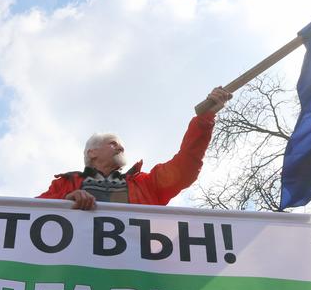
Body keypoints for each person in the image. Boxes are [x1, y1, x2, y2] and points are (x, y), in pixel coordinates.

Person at [37, 87, 232, 210]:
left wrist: (204, 120)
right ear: (92, 152)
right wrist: (65, 201)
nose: (120, 147)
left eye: (120, 144)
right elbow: (29, 212)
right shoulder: (64, 185)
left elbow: (185, 167)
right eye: (112, 143)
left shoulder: (147, 184)